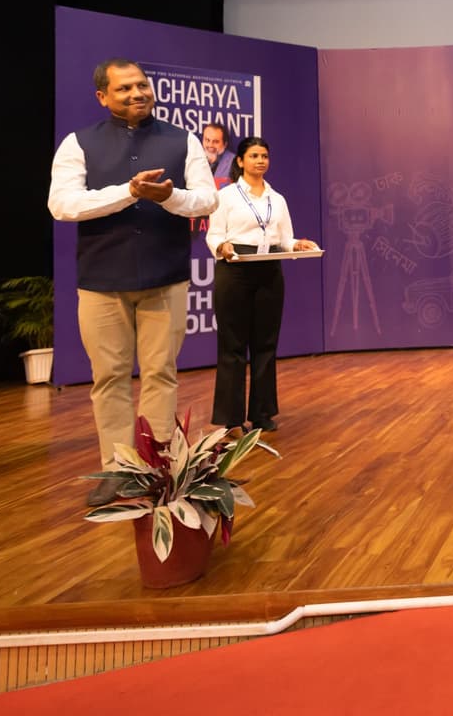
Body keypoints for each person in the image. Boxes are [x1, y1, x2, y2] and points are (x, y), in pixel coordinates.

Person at [48, 59, 218, 506]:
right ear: (103, 97)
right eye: (124, 89)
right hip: (102, 282)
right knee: (109, 378)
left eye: (142, 85)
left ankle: (158, 466)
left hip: (166, 278)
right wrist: (129, 192)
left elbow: (207, 198)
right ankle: (120, 469)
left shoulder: (182, 139)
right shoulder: (77, 143)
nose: (137, 93)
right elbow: (63, 205)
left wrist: (171, 196)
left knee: (161, 373)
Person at [204, 136, 317, 434]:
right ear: (240, 162)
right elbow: (213, 235)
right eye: (254, 156)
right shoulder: (226, 196)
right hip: (235, 270)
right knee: (233, 347)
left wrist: (299, 244)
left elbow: (285, 238)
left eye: (264, 156)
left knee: (266, 345)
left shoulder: (276, 198)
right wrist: (223, 248)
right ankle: (231, 418)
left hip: (269, 271)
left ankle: (263, 413)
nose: (260, 161)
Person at [201, 123, 236, 187]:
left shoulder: (234, 162)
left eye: (216, 142)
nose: (210, 145)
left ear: (225, 144)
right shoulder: (196, 158)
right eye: (207, 140)